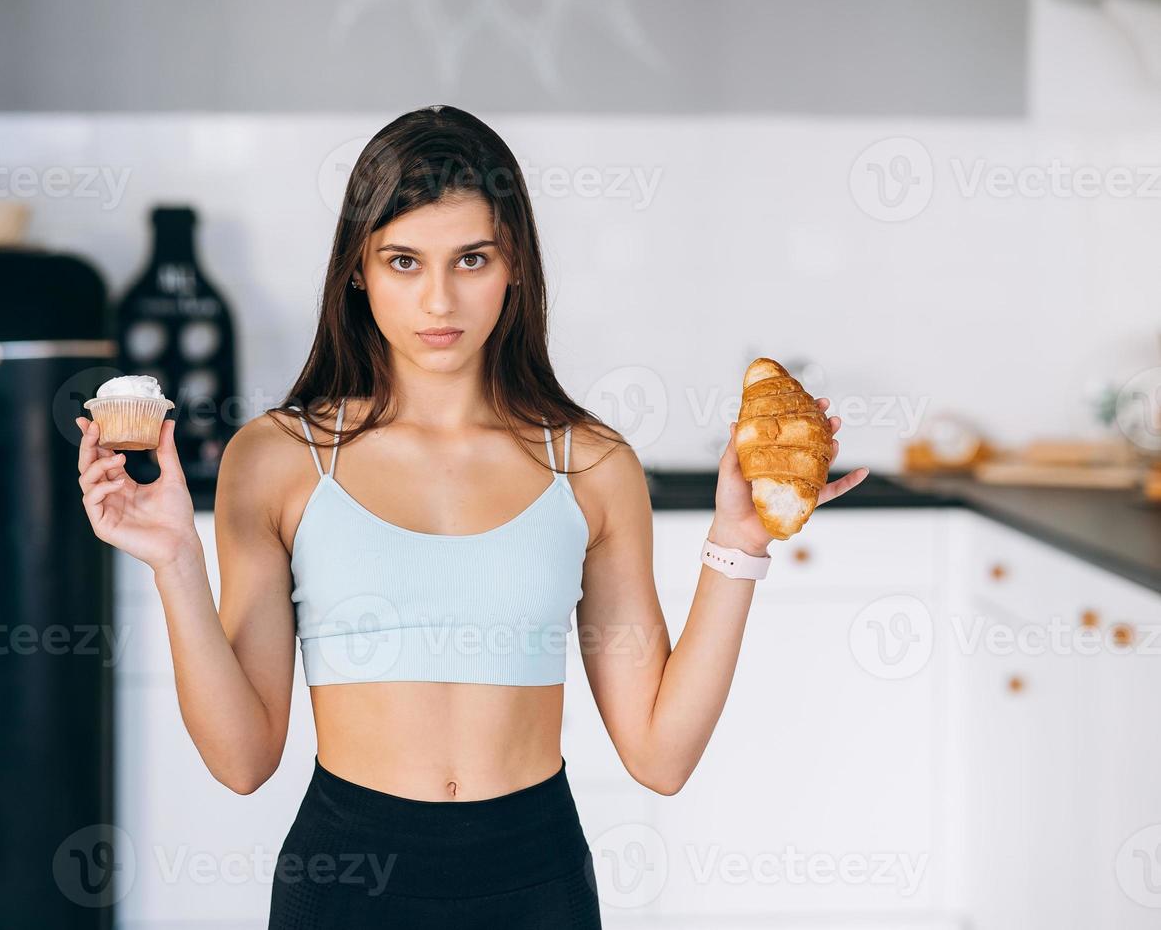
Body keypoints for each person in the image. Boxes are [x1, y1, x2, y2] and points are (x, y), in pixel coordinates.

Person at [74, 105, 867, 927]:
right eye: (404, 261)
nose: (438, 299)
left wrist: (735, 546)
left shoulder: (589, 464)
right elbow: (241, 761)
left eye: (472, 259)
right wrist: (173, 561)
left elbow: (661, 757)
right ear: (357, 270)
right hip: (346, 886)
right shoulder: (277, 458)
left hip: (537, 883)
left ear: (513, 264)